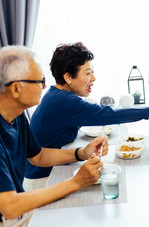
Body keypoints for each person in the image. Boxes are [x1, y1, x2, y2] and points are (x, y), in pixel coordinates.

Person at [25, 42, 149, 189]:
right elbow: (108, 114)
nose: (94, 78)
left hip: (50, 169)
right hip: (44, 179)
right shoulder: (62, 101)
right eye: (88, 73)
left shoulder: (57, 95)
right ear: (68, 77)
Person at [0, 45, 109, 226]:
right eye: (38, 81)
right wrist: (76, 182)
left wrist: (81, 153)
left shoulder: (17, 116)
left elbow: (39, 156)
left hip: (20, 209)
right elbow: (9, 207)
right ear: (16, 89)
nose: (44, 86)